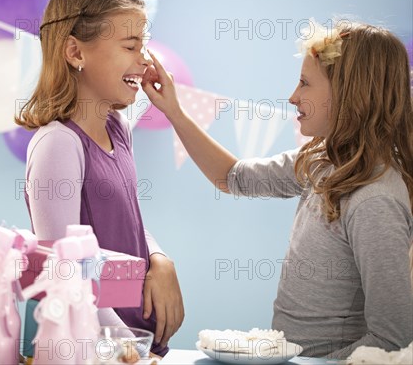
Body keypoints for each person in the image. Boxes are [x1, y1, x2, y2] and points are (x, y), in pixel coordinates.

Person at [141, 21, 413, 359]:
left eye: (305, 83)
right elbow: (233, 177)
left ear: (350, 94)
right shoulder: (320, 160)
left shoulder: (375, 199)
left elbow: (391, 339)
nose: (292, 96)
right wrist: (174, 111)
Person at [16, 0, 184, 357]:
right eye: (130, 46)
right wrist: (128, 349)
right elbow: (66, 272)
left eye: (144, 45)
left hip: (134, 343)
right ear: (76, 52)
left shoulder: (117, 128)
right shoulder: (58, 144)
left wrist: (158, 258)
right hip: (94, 350)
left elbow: (127, 218)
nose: (144, 59)